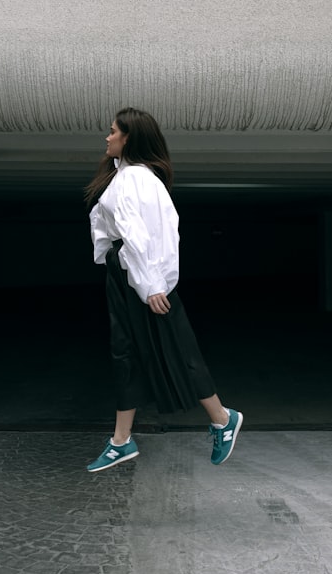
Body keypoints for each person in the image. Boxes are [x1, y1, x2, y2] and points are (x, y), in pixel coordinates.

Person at [83, 107, 243, 473]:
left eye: (112, 132)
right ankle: (121, 441)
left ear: (129, 138)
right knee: (125, 354)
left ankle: (222, 418)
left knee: (175, 348)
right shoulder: (124, 176)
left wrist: (153, 284)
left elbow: (153, 235)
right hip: (125, 276)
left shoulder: (138, 179)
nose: (106, 138)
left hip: (141, 278)